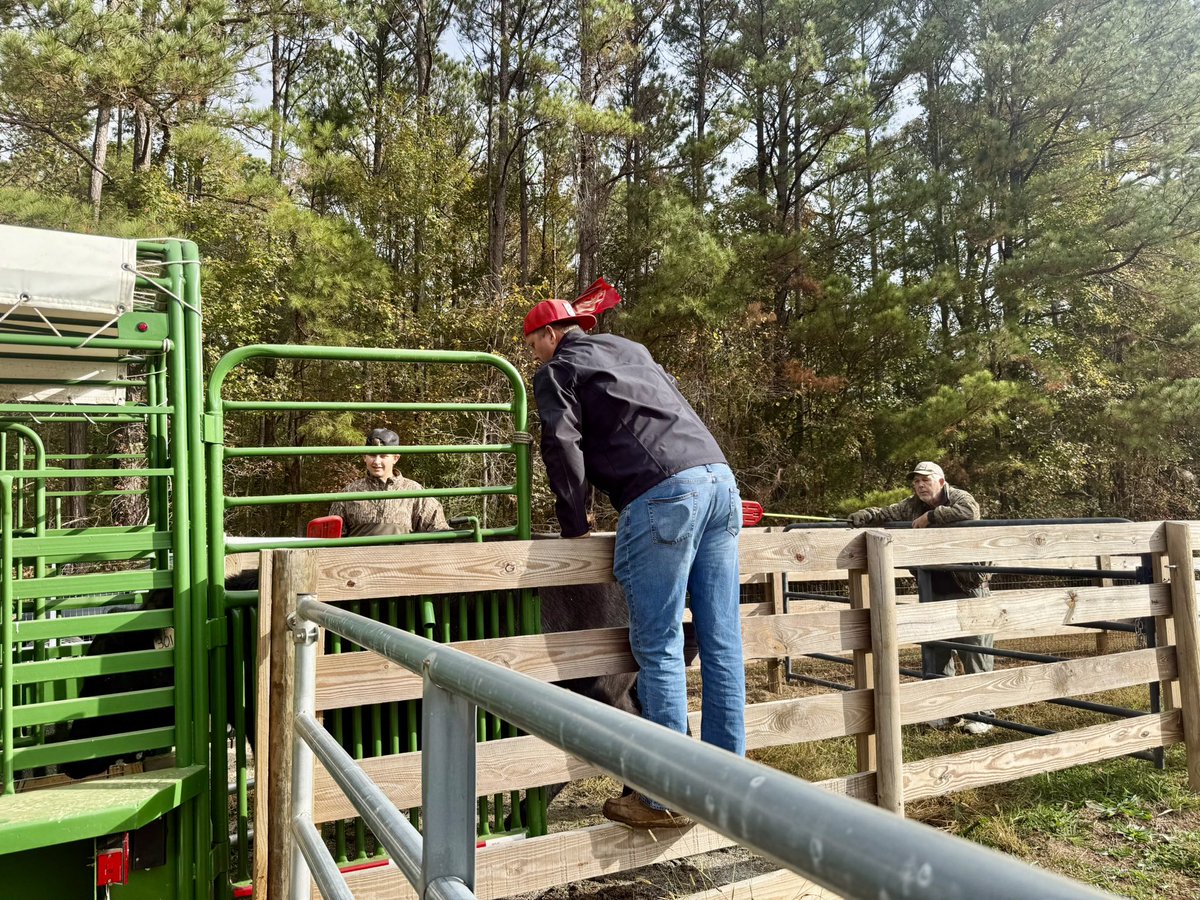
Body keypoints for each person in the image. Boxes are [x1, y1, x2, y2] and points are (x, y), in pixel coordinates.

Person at [523, 298, 745, 829]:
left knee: (659, 645)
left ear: (550, 334)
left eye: (532, 344)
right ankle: (729, 784)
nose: (533, 355)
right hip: (720, 482)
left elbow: (561, 441)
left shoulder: (557, 370)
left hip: (664, 495)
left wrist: (575, 521)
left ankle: (662, 794)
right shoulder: (629, 349)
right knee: (722, 640)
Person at [848, 461, 995, 735]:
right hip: (932, 587)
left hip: (967, 586)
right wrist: (864, 515)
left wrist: (931, 517)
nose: (919, 485)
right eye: (916, 481)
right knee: (936, 651)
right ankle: (943, 713)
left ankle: (982, 715)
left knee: (975, 651)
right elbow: (885, 513)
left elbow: (970, 511)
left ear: (941, 481)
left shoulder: (959, 497)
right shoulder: (911, 505)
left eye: (925, 480)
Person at [329, 428, 449, 537]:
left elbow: (439, 532)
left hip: (403, 555)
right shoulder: (348, 493)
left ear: (395, 458)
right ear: (364, 457)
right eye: (372, 455)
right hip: (358, 555)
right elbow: (332, 538)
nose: (377, 461)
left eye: (383, 456)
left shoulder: (415, 492)